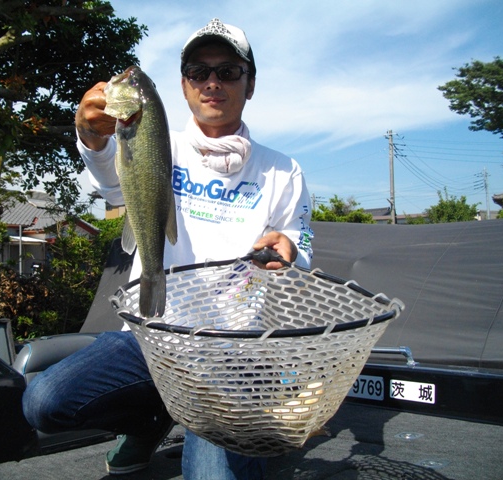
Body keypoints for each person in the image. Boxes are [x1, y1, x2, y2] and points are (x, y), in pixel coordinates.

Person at [22, 18, 314, 480]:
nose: (212, 82)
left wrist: (290, 248)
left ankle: (243, 420)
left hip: (234, 351)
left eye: (228, 71)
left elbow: (300, 241)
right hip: (150, 337)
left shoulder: (283, 170)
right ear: (183, 86)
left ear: (250, 84)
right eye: (198, 72)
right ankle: (151, 418)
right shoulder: (158, 140)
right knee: (44, 401)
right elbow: (108, 175)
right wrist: (91, 133)